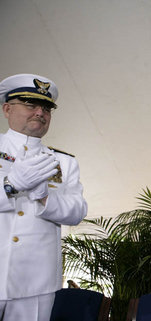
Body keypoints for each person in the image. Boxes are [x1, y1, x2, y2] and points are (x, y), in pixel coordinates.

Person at [0, 74, 88, 321]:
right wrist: (10, 185)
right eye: (30, 104)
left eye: (46, 108)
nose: (40, 112)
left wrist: (44, 198)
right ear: (7, 109)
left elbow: (77, 211)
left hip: (36, 283)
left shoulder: (64, 162)